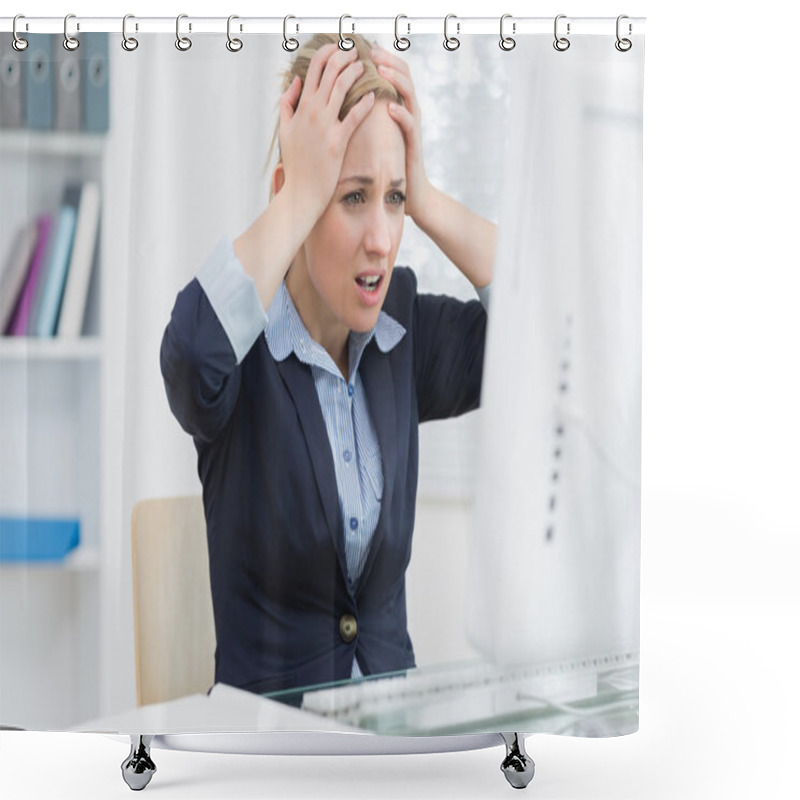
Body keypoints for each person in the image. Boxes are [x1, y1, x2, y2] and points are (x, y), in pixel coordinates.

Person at [160, 33, 496, 697]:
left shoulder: (403, 332)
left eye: (392, 200)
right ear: (300, 196)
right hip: (271, 750)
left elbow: (540, 334)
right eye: (351, 197)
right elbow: (191, 359)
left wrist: (423, 194)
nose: (381, 239)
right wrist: (298, 196)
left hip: (390, 745)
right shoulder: (237, 347)